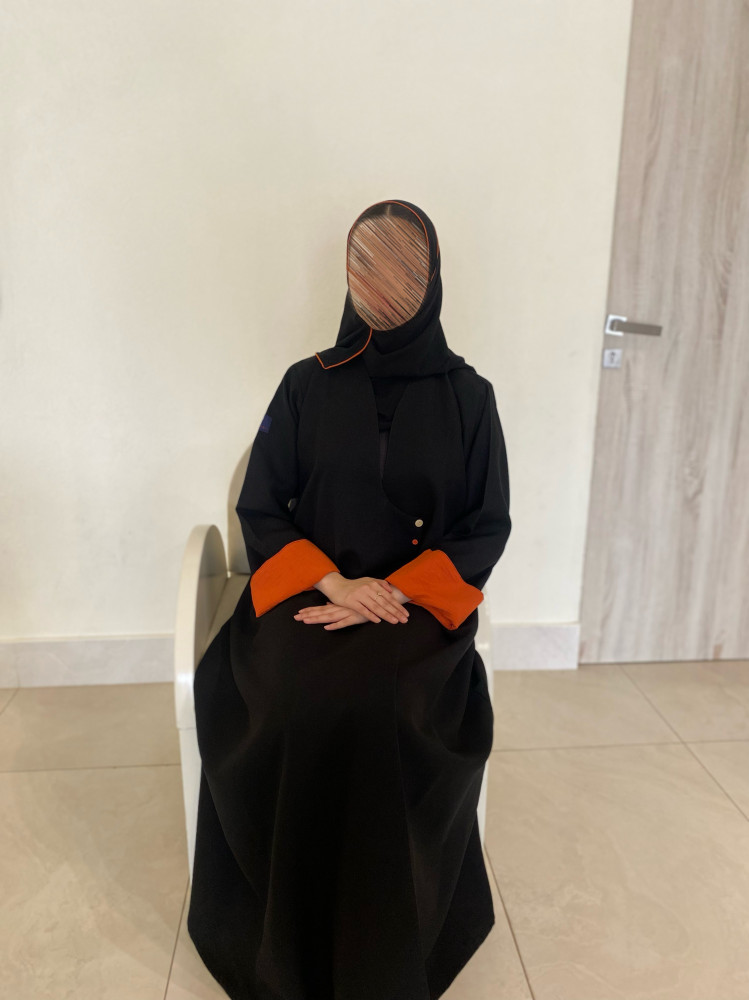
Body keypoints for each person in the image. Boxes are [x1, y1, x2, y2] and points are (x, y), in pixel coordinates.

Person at [187, 198, 512, 1000]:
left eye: (401, 267)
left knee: (379, 705)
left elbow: (484, 525)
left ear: (430, 280)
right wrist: (334, 582)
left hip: (415, 612)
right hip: (308, 596)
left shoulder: (470, 398)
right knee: (293, 697)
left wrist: (392, 590)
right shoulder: (306, 384)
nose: (382, 283)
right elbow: (262, 505)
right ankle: (284, 939)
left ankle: (386, 947)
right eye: (365, 263)